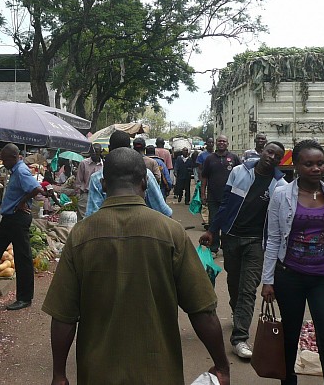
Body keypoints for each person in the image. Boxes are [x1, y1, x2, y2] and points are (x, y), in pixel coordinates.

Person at [43, 148, 230, 385]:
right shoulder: (171, 233)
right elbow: (202, 310)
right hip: (160, 374)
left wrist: (59, 375)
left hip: (97, 374)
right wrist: (222, 366)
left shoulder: (80, 235)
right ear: (144, 183)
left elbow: (63, 317)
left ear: (102, 184)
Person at [261, 140, 324, 385]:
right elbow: (274, 239)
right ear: (296, 166)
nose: (316, 168)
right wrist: (268, 281)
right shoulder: (281, 195)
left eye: (320, 163)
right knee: (289, 338)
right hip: (290, 276)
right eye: (308, 164)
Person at [199, 141, 287, 359]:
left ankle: (240, 338)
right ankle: (237, 312)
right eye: (269, 152)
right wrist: (212, 230)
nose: (272, 157)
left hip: (256, 243)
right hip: (231, 237)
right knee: (234, 282)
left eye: (277, 156)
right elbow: (226, 204)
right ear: (262, 152)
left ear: (281, 160)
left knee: (248, 289)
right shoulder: (239, 171)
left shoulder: (281, 185)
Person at [0, 143, 52, 311]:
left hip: (18, 219)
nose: (3, 162)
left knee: (22, 257)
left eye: (4, 159)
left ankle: (25, 298)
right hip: (10, 218)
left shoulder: (21, 170)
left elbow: (36, 188)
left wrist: (21, 203)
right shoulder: (16, 170)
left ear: (13, 157)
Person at [85, 131, 173, 218]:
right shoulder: (145, 174)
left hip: (108, 229)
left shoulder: (97, 178)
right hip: (144, 228)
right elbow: (163, 210)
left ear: (109, 148)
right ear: (130, 148)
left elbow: (91, 215)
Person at [200, 135, 241, 255]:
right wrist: (203, 193)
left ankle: (227, 247)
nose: (221, 143)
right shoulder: (209, 159)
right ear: (216, 143)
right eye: (219, 141)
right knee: (213, 222)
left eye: (224, 141)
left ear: (228, 143)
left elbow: (241, 175)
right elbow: (204, 177)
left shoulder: (234, 158)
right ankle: (213, 248)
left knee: (229, 222)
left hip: (230, 198)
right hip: (213, 197)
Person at [74, 144, 104, 220]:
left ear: (100, 152)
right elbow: (78, 181)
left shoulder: (104, 165)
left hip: (99, 196)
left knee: (97, 219)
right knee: (83, 219)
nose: (93, 153)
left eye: (96, 151)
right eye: (92, 151)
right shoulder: (84, 163)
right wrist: (78, 195)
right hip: (86, 195)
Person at [197, 137, 215, 227]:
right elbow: (200, 169)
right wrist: (200, 181)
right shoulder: (202, 155)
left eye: (212, 142)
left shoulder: (216, 154)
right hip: (205, 181)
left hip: (215, 181)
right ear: (206, 143)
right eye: (209, 142)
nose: (211, 144)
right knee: (205, 201)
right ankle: (206, 221)